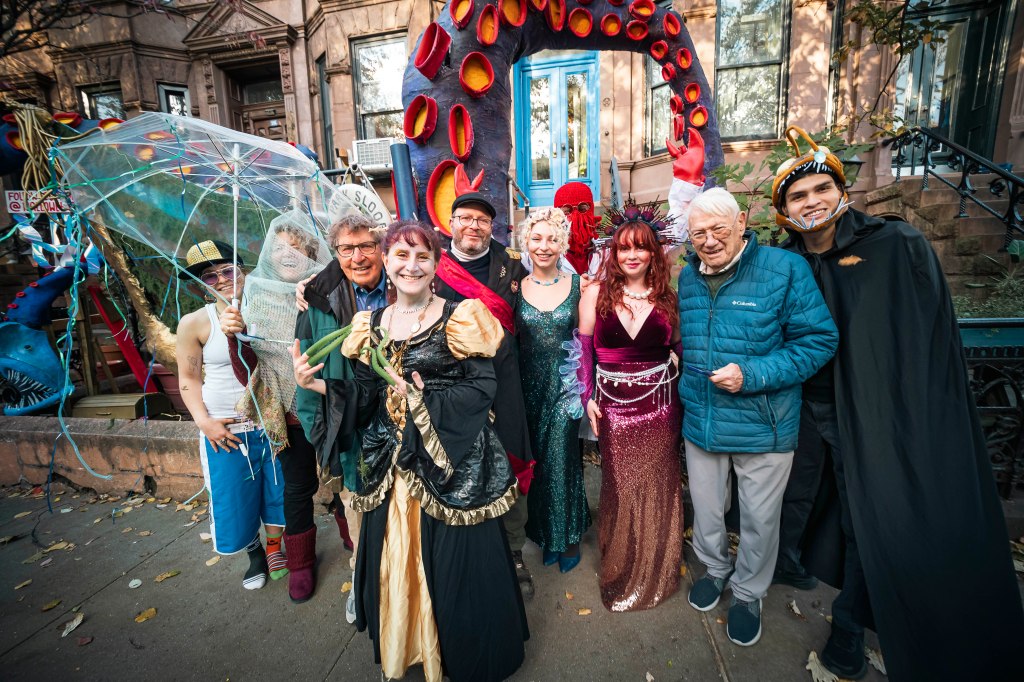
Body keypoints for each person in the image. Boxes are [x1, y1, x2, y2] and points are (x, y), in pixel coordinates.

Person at [771, 125, 1024, 680]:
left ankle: (847, 633)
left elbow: (927, 337)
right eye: (797, 195)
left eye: (820, 189)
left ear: (840, 191)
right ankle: (797, 573)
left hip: (875, 413)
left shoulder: (895, 244)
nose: (811, 201)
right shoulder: (783, 262)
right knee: (802, 505)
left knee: (872, 516)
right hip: (801, 411)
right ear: (783, 207)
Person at [291, 220, 528, 682]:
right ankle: (413, 646)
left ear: (437, 264)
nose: (411, 266)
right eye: (401, 256)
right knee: (393, 563)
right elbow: (363, 391)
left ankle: (463, 657)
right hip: (390, 463)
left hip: (449, 460)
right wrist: (316, 384)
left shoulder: (462, 316)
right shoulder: (371, 323)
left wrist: (423, 399)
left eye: (422, 256)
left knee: (455, 568)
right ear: (386, 261)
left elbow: (482, 388)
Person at [677, 187, 838, 647]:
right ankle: (714, 569)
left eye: (718, 230)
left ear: (742, 224)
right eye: (698, 233)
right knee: (707, 512)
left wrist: (751, 374)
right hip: (703, 421)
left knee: (760, 520)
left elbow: (818, 341)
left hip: (763, 422)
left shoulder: (784, 269)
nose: (708, 241)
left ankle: (748, 593)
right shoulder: (688, 277)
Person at [217, 214, 338, 604]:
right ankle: (300, 562)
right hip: (287, 413)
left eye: (298, 248)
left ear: (311, 253)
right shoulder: (252, 293)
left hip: (330, 405)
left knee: (342, 476)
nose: (289, 255)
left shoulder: (330, 287)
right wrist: (235, 337)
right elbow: (247, 372)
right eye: (281, 247)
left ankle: (352, 531)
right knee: (298, 487)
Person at [576, 200, 684, 612]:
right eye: (624, 249)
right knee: (621, 487)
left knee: (659, 484)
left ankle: (657, 567)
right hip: (615, 408)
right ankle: (622, 565)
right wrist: (588, 397)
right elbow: (584, 350)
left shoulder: (668, 298)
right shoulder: (596, 294)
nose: (633, 255)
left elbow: (679, 348)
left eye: (641, 248)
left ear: (653, 252)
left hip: (660, 406)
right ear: (614, 254)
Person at [433, 192, 536, 598]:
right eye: (465, 218)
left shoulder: (512, 263)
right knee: (458, 465)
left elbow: (557, 271)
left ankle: (513, 551)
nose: (473, 225)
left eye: (481, 219)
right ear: (451, 223)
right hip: (452, 386)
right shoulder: (430, 264)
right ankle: (465, 550)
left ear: (491, 225)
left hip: (505, 382)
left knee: (511, 460)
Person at [174, 239, 286, 591]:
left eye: (228, 270)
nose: (222, 279)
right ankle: (254, 552)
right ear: (201, 286)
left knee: (278, 492)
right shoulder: (194, 323)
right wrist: (204, 422)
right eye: (210, 276)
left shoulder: (267, 309)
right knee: (235, 497)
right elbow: (188, 379)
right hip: (226, 425)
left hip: (271, 421)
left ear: (243, 270)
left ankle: (273, 547)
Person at [290, 213, 388, 612]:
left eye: (367, 246)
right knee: (359, 508)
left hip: (401, 419)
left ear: (381, 247)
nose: (358, 257)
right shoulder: (316, 296)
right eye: (347, 249)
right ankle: (362, 583)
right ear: (335, 253)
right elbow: (305, 363)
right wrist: (320, 430)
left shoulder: (403, 279)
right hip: (350, 424)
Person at [516, 207, 590, 573]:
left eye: (551, 239)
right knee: (539, 464)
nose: (543, 246)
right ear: (525, 242)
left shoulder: (579, 286)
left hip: (565, 389)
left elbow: (592, 341)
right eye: (536, 238)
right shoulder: (515, 286)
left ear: (562, 243)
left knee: (563, 460)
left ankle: (568, 536)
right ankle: (545, 533)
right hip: (526, 388)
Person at [554, 182, 600, 275]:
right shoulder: (547, 253)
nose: (575, 216)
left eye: (582, 209)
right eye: (567, 211)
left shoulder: (607, 252)